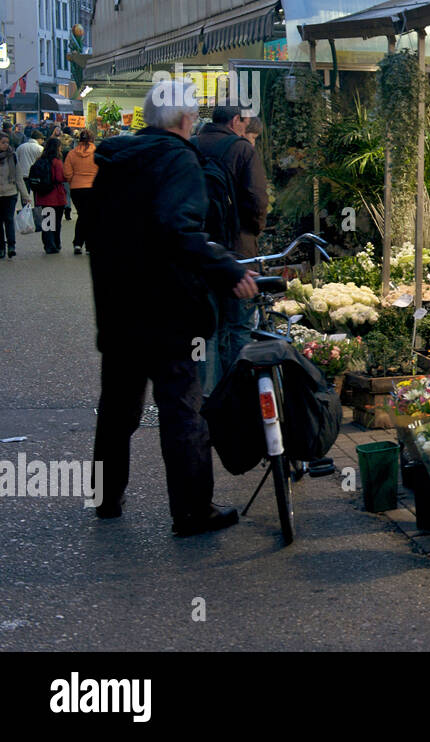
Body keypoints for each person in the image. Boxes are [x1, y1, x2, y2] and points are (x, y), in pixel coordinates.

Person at [88, 79, 259, 536]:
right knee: (182, 410)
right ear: (185, 121)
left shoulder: (115, 162)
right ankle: (191, 511)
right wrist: (226, 269)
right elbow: (177, 229)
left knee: (118, 410)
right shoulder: (179, 160)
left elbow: (100, 237)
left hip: (119, 309)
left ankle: (105, 498)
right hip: (167, 310)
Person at [195, 106, 269, 394]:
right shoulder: (242, 150)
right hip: (239, 251)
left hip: (200, 250)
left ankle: (206, 397)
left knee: (208, 330)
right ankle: (239, 394)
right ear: (237, 120)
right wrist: (251, 232)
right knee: (239, 326)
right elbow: (257, 200)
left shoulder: (190, 145)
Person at [63, 129, 99, 254]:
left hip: (76, 188)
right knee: (90, 216)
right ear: (92, 139)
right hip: (93, 188)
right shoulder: (97, 153)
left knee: (82, 215)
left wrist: (73, 181)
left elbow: (67, 172)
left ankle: (78, 243)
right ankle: (89, 245)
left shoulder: (72, 154)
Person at [32, 136, 69, 254]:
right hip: (56, 196)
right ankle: (55, 244)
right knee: (56, 222)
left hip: (43, 196)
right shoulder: (57, 162)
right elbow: (60, 177)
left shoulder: (40, 160)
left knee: (47, 223)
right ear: (57, 148)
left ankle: (48, 244)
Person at [0, 133, 32, 257]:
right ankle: (1, 247)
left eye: (7, 142)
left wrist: (25, 196)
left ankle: (11, 246)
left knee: (8, 219)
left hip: (10, 193)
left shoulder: (12, 156)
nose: (6, 145)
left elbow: (19, 177)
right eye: (3, 142)